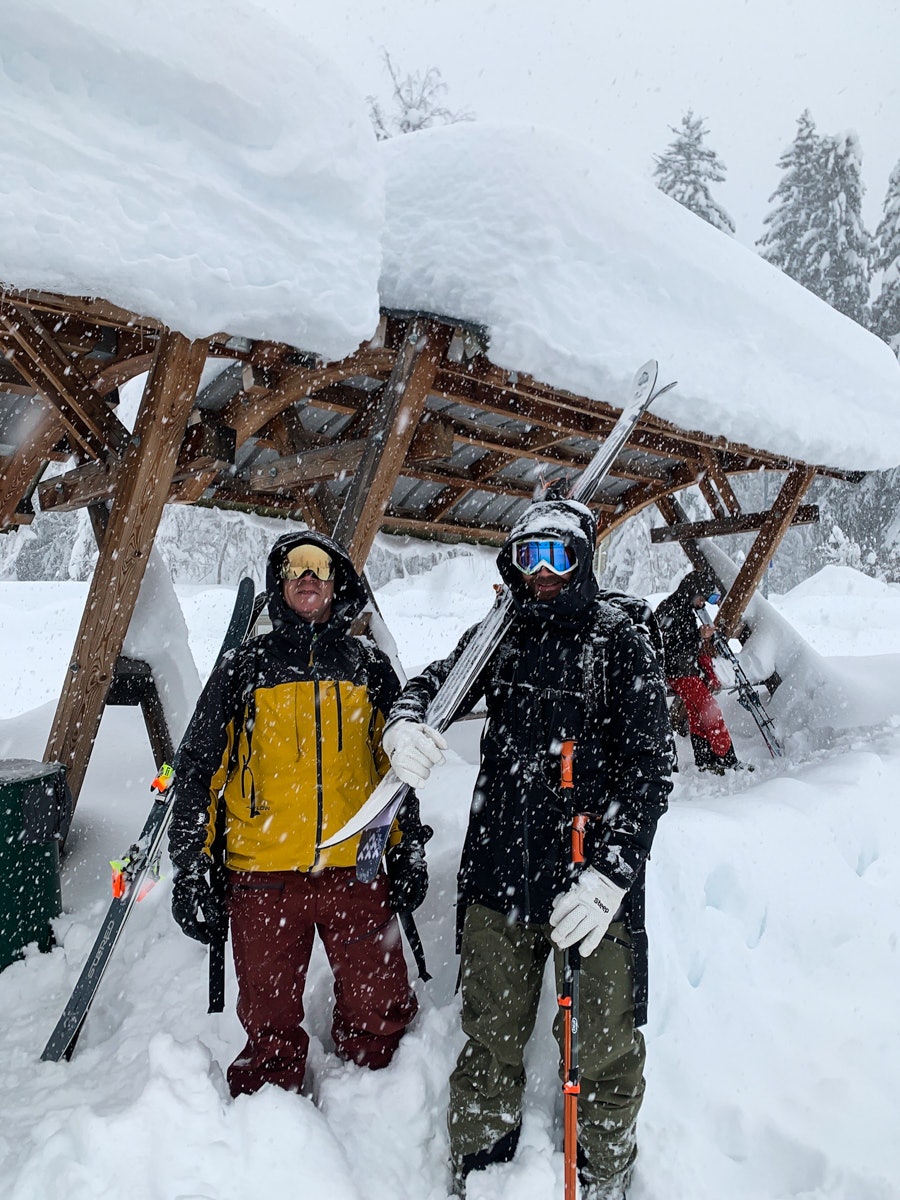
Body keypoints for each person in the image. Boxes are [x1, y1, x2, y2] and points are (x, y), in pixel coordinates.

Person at [381, 499, 674, 1200]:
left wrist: (611, 877)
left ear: (581, 561)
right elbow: (436, 684)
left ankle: (601, 1174)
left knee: (604, 1048)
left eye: (557, 556)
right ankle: (480, 1170)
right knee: (490, 1042)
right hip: (501, 873)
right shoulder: (499, 635)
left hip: (590, 884)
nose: (541, 573)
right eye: (527, 557)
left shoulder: (619, 640)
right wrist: (404, 721)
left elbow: (650, 770)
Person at [168, 531, 429, 1098]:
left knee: (379, 1002)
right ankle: (270, 1115)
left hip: (356, 867)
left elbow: (399, 768)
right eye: (294, 566)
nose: (306, 575)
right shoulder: (244, 669)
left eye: (319, 566)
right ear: (279, 583)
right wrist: (191, 865)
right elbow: (198, 769)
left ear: (338, 584)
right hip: (263, 875)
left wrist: (408, 847)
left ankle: (376, 1102)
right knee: (267, 1014)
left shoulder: (369, 668)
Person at [654, 571, 743, 773]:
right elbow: (669, 646)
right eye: (701, 598)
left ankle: (705, 760)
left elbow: (682, 644)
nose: (702, 603)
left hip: (686, 671)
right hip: (678, 673)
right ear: (692, 593)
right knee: (711, 712)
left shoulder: (683, 607)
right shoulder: (671, 609)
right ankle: (727, 759)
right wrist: (698, 635)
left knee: (697, 714)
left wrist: (699, 638)